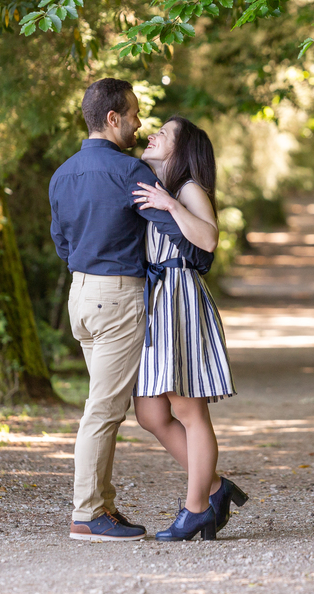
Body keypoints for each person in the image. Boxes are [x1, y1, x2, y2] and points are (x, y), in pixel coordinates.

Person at [49, 80, 212, 542]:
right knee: (103, 411)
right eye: (135, 115)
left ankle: (107, 505)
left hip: (80, 298)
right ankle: (88, 514)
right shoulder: (127, 172)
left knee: (108, 404)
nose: (140, 125)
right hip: (117, 298)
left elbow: (63, 244)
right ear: (113, 118)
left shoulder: (61, 175)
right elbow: (179, 234)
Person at [131, 116, 247, 542]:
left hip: (180, 298)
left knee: (189, 411)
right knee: (149, 412)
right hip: (156, 300)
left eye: (164, 132)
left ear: (182, 149)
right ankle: (216, 486)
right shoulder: (152, 184)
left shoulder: (188, 189)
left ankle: (196, 508)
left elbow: (210, 239)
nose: (152, 134)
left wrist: (173, 207)